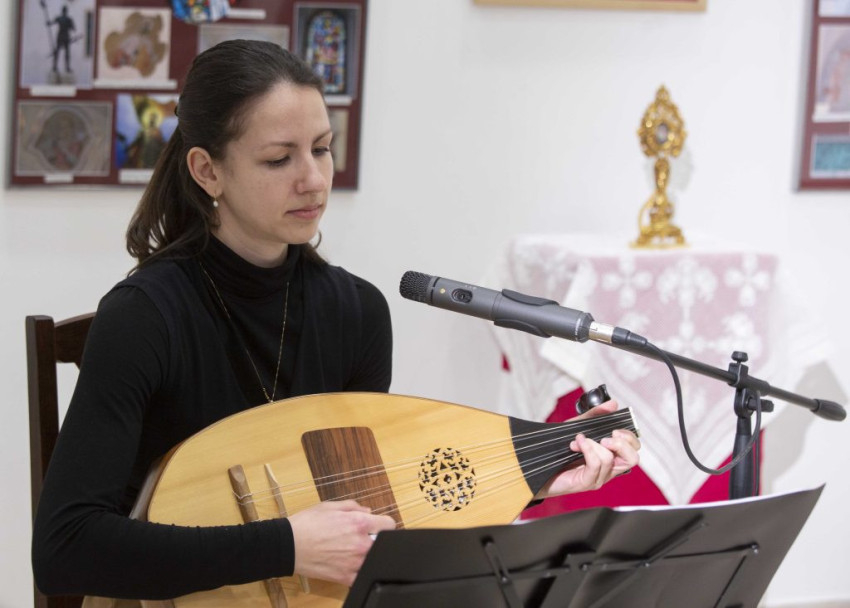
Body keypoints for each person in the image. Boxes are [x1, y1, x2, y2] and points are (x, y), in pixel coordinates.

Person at [31, 40, 640, 602]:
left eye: (321, 148)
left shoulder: (356, 313)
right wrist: (287, 545)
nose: (314, 179)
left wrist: (529, 478)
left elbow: (372, 508)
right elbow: (64, 550)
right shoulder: (144, 317)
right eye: (279, 158)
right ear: (207, 170)